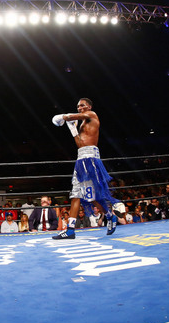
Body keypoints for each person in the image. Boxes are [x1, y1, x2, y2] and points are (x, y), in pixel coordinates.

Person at [51, 98, 120, 239]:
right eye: (78, 106)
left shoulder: (92, 115)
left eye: (82, 105)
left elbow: (73, 116)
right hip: (80, 159)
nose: (79, 108)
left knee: (92, 197)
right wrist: (72, 128)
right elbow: (80, 144)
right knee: (75, 194)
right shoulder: (82, 124)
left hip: (90, 159)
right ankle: (70, 229)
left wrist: (63, 117)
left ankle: (110, 216)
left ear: (89, 106)